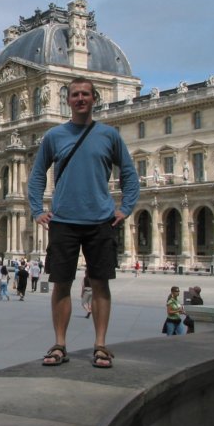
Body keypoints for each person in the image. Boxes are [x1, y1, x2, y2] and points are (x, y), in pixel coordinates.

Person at [28, 77, 140, 368]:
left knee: (101, 285)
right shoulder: (55, 136)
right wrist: (36, 209)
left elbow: (129, 173)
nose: (80, 99)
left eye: (86, 94)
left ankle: (100, 345)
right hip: (63, 220)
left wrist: (125, 208)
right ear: (68, 100)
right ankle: (59, 344)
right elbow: (38, 174)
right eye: (75, 94)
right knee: (60, 284)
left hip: (101, 219)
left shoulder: (109, 135)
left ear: (94, 99)